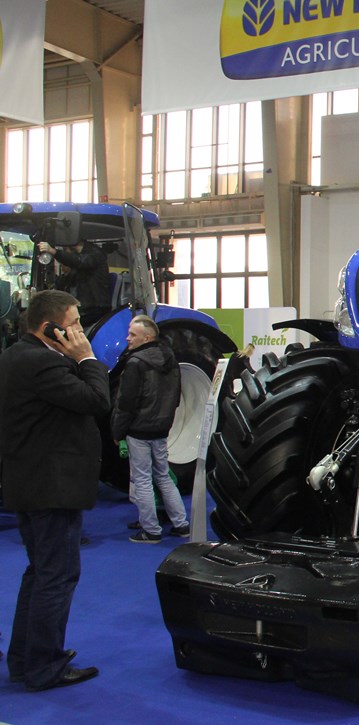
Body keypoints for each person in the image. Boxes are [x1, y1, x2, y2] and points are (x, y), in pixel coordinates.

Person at [0, 289, 108, 691]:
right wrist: (87, 359)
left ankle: (25, 660)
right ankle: (44, 665)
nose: (80, 331)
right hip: (52, 487)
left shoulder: (14, 356)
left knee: (40, 573)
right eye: (74, 323)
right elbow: (97, 400)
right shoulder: (44, 363)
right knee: (56, 577)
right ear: (50, 328)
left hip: (30, 482)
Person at [111, 314, 188, 543]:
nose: (127, 338)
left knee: (142, 479)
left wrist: (117, 432)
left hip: (139, 430)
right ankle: (181, 524)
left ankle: (151, 530)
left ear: (146, 338)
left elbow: (126, 403)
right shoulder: (171, 359)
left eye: (132, 334)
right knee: (163, 476)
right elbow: (176, 396)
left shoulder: (135, 363)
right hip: (162, 428)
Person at [36, 240, 110, 327]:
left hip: (94, 308)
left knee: (59, 326)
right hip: (83, 307)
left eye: (65, 249)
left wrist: (54, 252)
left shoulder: (95, 254)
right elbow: (66, 284)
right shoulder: (76, 267)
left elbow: (78, 261)